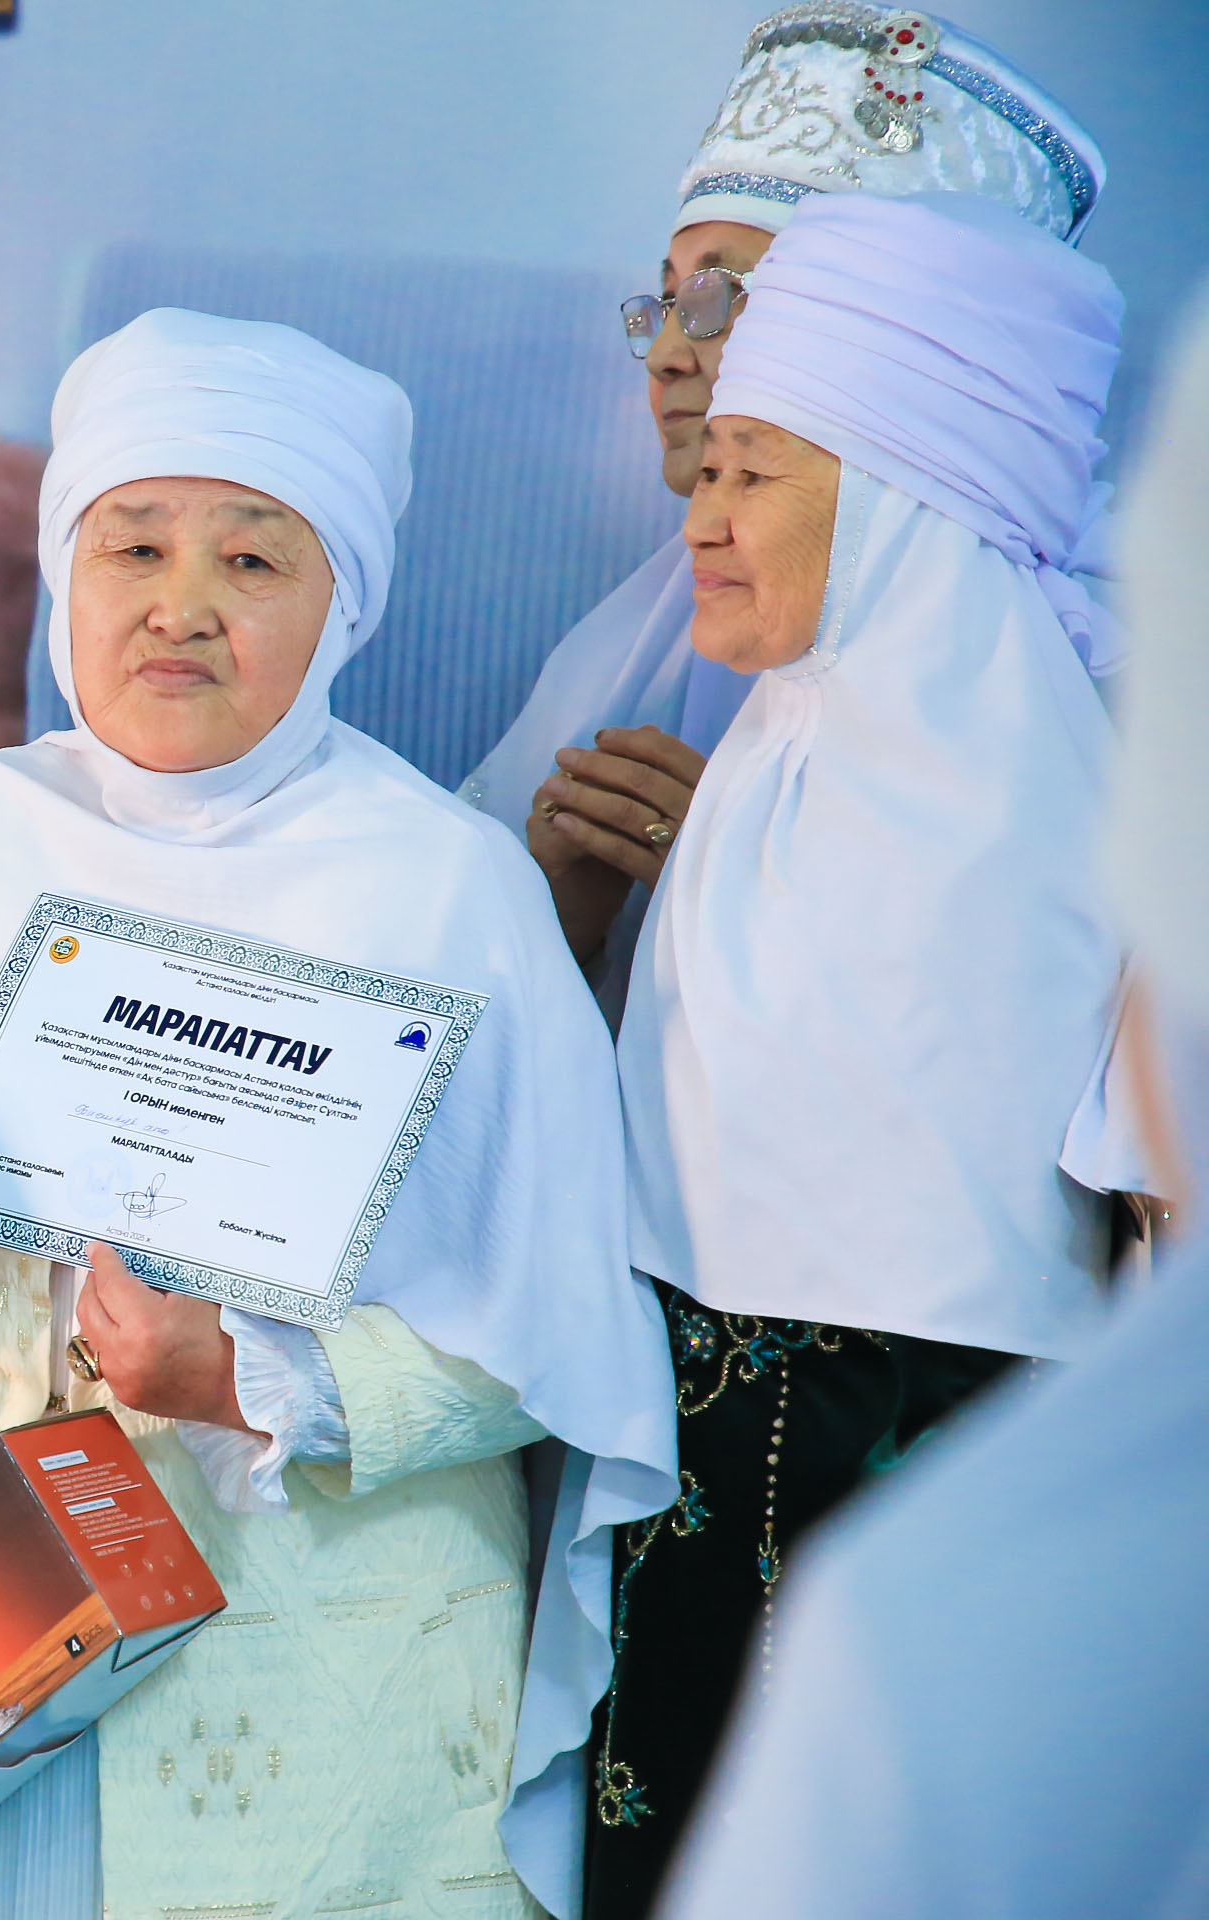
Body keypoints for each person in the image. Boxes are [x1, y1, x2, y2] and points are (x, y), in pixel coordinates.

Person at [0, 308, 678, 1920]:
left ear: (344, 605)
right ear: (68, 573)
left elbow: (555, 1343)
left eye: (252, 560)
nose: (180, 603)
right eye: (132, 545)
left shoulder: (446, 894)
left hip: (314, 1710)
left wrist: (257, 1381)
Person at [585, 190, 1146, 1920]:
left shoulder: (1087, 834)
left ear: (908, 497)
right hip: (694, 1537)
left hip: (917, 1550)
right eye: (710, 464)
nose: (703, 512)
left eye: (754, 469)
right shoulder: (771, 760)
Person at [460, 4, 1107, 1008]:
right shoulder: (651, 623)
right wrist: (565, 922)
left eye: (721, 297)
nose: (665, 353)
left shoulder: (1115, 676)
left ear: (902, 355)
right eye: (666, 300)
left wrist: (736, 885)